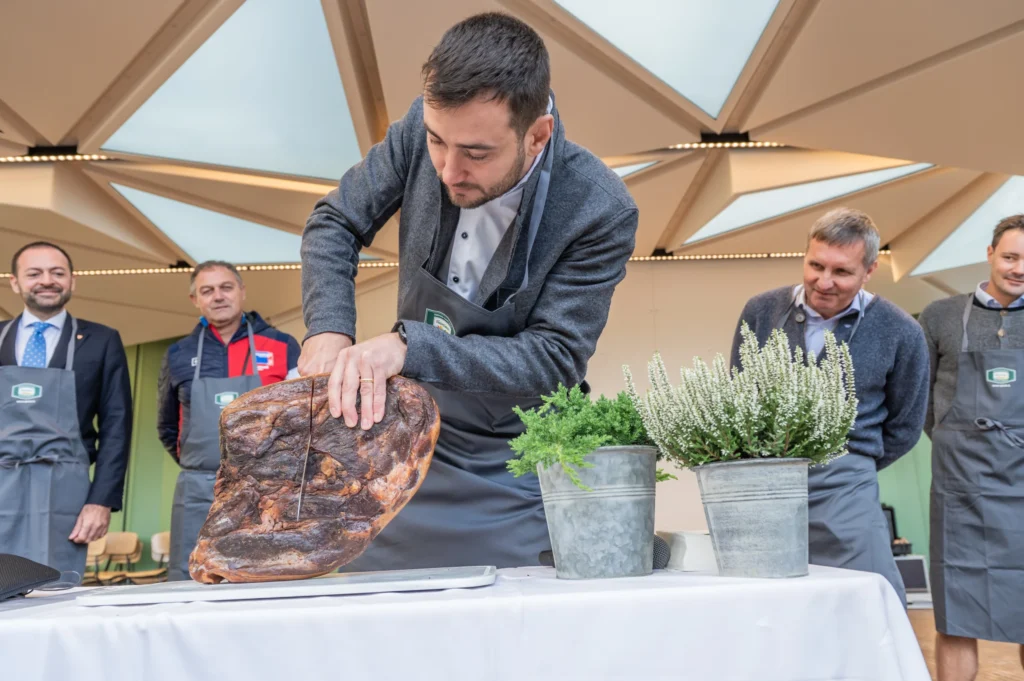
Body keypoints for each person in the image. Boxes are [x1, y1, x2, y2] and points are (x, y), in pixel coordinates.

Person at [298, 13, 638, 571]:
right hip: (404, 431)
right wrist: (328, 330)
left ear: (537, 135)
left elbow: (553, 357)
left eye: (477, 154)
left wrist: (408, 347)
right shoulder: (419, 130)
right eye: (438, 142)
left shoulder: (598, 207)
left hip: (516, 454)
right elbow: (334, 222)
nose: (448, 170)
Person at [729, 207, 929, 605]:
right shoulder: (761, 311)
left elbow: (906, 425)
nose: (824, 282)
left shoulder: (901, 331)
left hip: (847, 488)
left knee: (867, 601)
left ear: (869, 271)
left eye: (842, 272)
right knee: (771, 603)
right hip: (766, 484)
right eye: (815, 265)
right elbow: (739, 395)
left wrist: (851, 462)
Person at [919, 214, 1024, 681]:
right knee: (956, 613)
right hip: (959, 490)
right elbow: (920, 400)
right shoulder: (940, 316)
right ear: (990, 254)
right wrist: (954, 440)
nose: (1019, 269)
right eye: (1011, 256)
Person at [157, 261, 301, 580]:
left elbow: (300, 418)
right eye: (207, 290)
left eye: (226, 287)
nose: (218, 296)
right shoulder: (178, 354)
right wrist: (202, 464)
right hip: (198, 489)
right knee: (192, 576)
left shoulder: (283, 346)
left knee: (264, 575)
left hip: (267, 490)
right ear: (195, 299)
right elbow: (166, 426)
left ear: (242, 292)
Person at [0, 242, 132, 576]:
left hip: (66, 488)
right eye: (34, 273)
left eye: (57, 273)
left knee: (56, 585)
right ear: (15, 282)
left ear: (72, 280)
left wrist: (101, 500)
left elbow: (117, 425)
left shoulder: (102, 340)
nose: (47, 280)